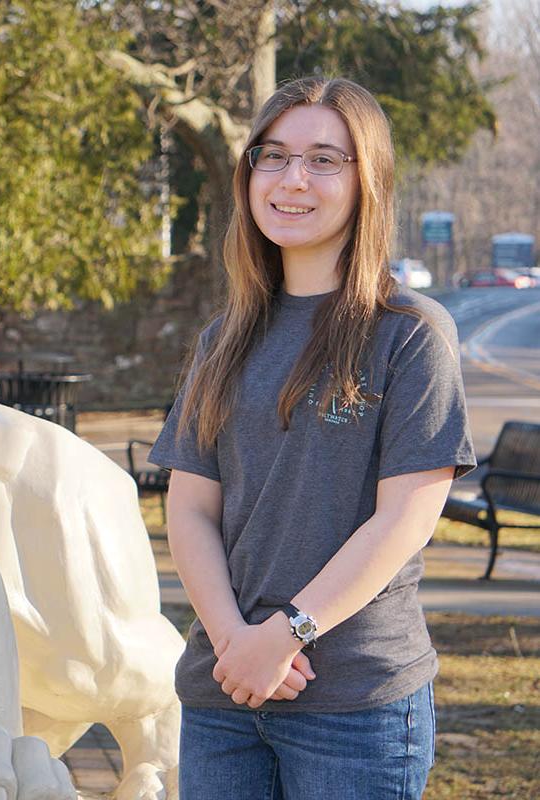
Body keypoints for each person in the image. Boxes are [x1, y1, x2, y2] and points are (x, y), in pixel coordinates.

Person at [148, 76, 476, 799]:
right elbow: (190, 509)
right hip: (222, 698)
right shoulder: (223, 340)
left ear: (369, 182)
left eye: (325, 159)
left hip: (354, 706)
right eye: (274, 156)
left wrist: (286, 633)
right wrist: (238, 644)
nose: (293, 179)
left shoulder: (410, 334)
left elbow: (407, 518)